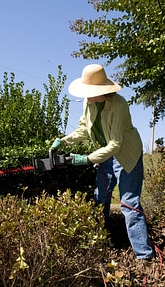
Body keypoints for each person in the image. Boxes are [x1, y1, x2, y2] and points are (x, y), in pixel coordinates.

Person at [50, 64, 154, 261]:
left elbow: (115, 144)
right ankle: (101, 245)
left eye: (91, 92)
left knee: (129, 205)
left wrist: (87, 159)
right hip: (104, 155)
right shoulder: (88, 103)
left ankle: (144, 256)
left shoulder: (119, 105)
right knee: (100, 201)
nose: (87, 96)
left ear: (103, 90)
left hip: (125, 156)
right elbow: (83, 128)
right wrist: (63, 140)